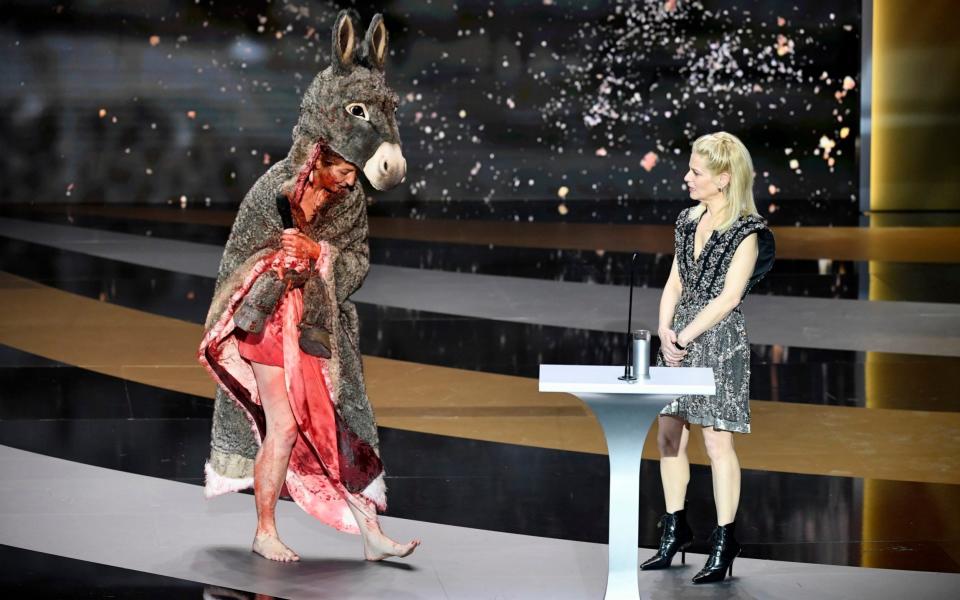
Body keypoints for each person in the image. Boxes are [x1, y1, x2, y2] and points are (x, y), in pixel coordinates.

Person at [198, 10, 418, 564]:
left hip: (318, 325)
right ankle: (265, 529)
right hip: (268, 322)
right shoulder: (275, 189)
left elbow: (355, 261)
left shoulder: (350, 202)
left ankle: (371, 535)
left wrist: (323, 257)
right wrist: (281, 262)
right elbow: (241, 260)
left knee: (341, 418)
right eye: (343, 171)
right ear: (322, 155)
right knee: (286, 421)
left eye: (354, 174)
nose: (350, 182)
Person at [640, 132, 775, 583]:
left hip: (718, 342)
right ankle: (674, 530)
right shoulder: (685, 220)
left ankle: (724, 539)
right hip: (678, 337)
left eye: (696, 172)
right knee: (668, 438)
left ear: (723, 178)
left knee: (717, 443)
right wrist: (665, 330)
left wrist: (683, 337)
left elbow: (728, 298)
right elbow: (675, 282)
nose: (687, 177)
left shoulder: (747, 231)